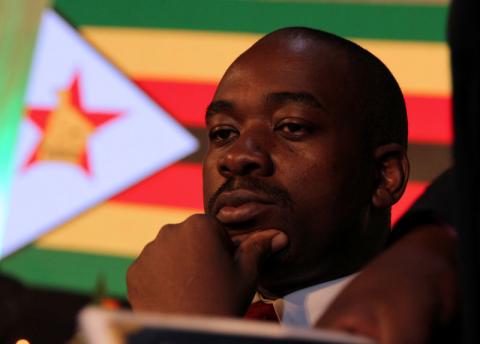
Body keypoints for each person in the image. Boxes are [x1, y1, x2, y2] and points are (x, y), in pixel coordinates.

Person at [127, 27, 457, 342]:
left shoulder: (439, 324)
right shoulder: (138, 319)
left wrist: (188, 332)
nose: (237, 156)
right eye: (223, 133)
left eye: (291, 127)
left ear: (384, 176)